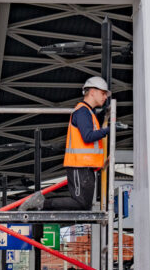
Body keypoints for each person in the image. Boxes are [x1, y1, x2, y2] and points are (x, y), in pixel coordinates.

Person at [22, 77, 110, 211]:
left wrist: (105, 117)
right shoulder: (82, 112)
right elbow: (87, 137)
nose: (105, 97)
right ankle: (41, 203)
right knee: (80, 203)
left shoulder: (88, 113)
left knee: (84, 206)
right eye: (103, 93)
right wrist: (109, 130)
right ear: (92, 92)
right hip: (79, 166)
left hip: (86, 167)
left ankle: (41, 203)